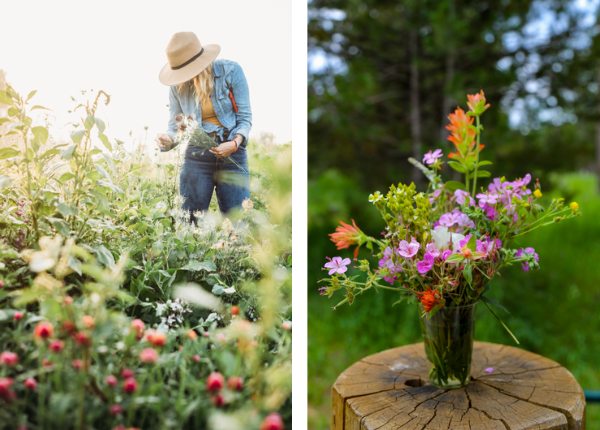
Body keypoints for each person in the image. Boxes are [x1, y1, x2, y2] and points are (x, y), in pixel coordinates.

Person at [155, 31, 251, 220]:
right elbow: (175, 126)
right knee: (190, 224)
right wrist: (168, 139)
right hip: (197, 156)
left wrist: (234, 143)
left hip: (233, 153)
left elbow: (245, 118)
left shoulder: (231, 71)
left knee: (237, 224)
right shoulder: (177, 86)